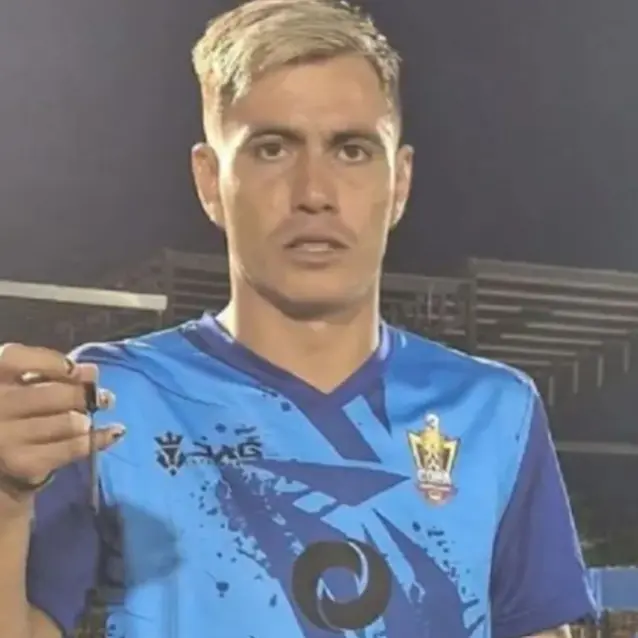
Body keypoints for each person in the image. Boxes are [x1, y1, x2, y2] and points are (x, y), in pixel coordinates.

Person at [0, 1, 596, 637]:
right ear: (209, 180)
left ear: (399, 181)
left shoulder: (493, 410)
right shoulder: (113, 398)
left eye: (352, 150)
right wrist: (5, 502)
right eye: (271, 148)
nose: (314, 192)